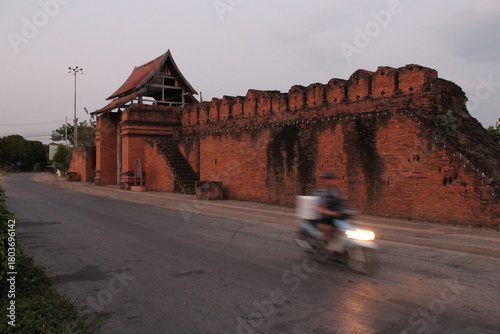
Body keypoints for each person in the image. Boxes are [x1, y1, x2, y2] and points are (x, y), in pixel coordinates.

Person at [313, 171, 346, 245]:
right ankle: (324, 246)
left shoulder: (338, 191)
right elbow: (320, 208)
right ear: (324, 181)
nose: (331, 181)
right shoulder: (322, 192)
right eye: (328, 179)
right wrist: (331, 213)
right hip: (325, 218)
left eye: (333, 179)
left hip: (338, 217)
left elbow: (344, 202)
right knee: (328, 229)